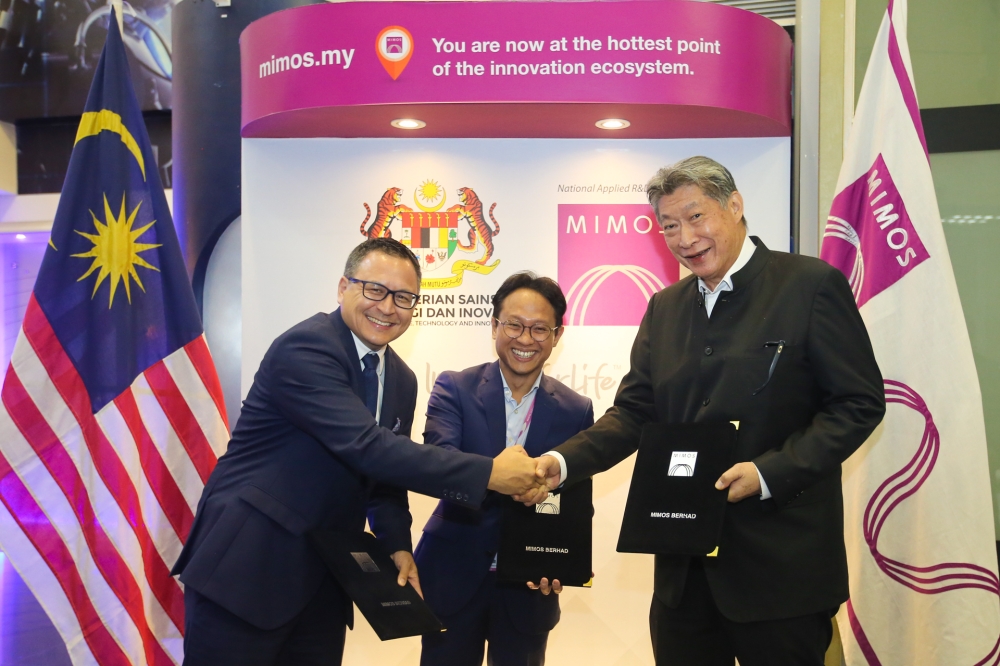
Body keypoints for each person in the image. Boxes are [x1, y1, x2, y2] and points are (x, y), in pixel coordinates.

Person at [534, 156, 886, 665]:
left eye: (696, 217)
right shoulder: (665, 307)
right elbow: (635, 412)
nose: (684, 237)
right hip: (683, 575)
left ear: (735, 207)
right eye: (669, 225)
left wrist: (769, 472)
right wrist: (561, 463)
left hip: (781, 573)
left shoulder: (810, 286)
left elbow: (858, 403)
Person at [172, 238, 547, 666]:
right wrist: (489, 474)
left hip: (324, 582)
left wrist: (397, 546)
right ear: (342, 288)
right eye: (374, 290)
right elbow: (368, 448)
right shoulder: (308, 348)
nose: (388, 307)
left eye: (404, 297)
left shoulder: (401, 380)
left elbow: (383, 480)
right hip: (247, 569)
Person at [414, 272, 594, 666]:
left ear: (557, 336)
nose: (525, 339)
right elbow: (440, 465)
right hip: (453, 570)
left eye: (539, 328)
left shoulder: (576, 409)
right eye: (513, 324)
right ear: (494, 325)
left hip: (531, 583)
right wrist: (498, 475)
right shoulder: (454, 388)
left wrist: (560, 560)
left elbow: (574, 502)